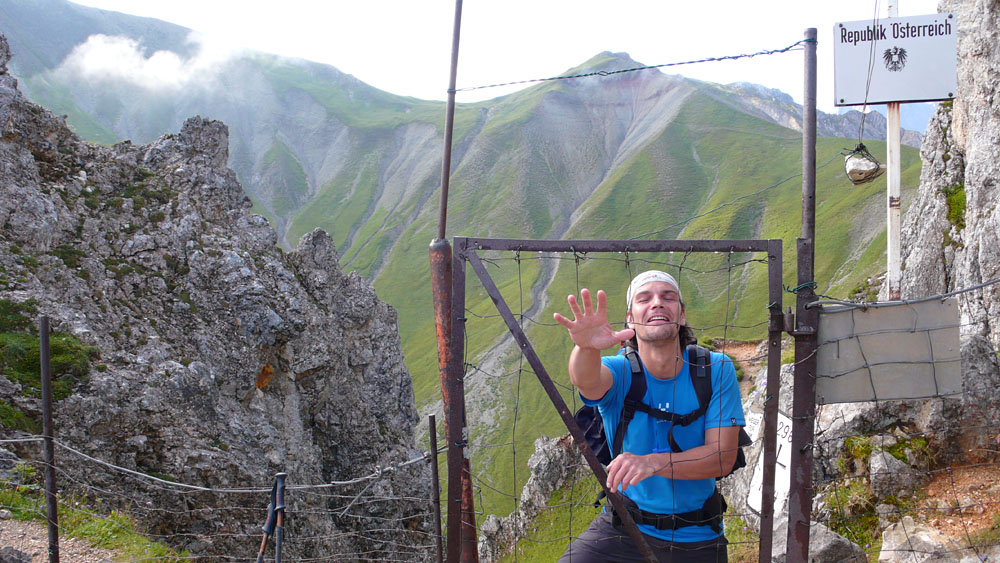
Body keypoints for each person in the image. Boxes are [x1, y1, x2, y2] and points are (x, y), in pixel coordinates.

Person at [553, 271, 745, 562]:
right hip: (623, 529)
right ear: (631, 319)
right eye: (645, 299)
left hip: (697, 534)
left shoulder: (715, 369)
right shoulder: (620, 371)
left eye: (668, 297)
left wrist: (653, 462)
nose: (657, 303)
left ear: (681, 315)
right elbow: (587, 380)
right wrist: (586, 347)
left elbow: (722, 458)